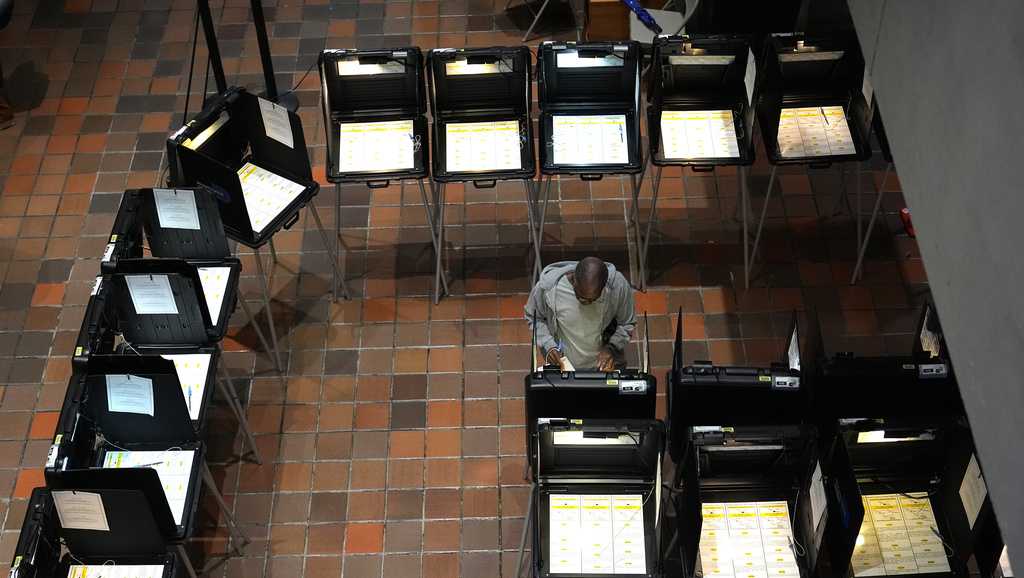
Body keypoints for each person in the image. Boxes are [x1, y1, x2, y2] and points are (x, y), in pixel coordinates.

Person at [525, 257, 635, 372]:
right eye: (582, 298)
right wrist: (548, 344)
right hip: (565, 367)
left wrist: (611, 348)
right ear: (574, 281)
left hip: (604, 366)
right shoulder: (548, 288)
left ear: (604, 288)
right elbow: (533, 317)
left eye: (594, 300)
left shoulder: (618, 286)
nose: (587, 304)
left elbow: (627, 323)